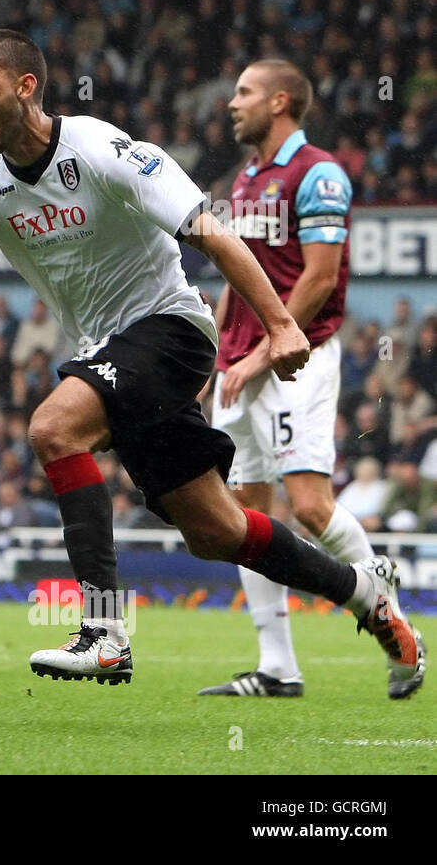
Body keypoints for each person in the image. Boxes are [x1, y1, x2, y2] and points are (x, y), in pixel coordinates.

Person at [0, 29, 423, 692]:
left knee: (54, 428)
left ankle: (105, 632)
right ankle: (366, 599)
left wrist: (281, 324)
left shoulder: (104, 152)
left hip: (172, 329)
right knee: (217, 530)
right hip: (109, 355)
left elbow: (210, 232)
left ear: (26, 87)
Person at [201, 59, 423, 700]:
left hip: (296, 359)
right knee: (245, 519)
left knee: (309, 506)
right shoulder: (244, 179)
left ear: (280, 102)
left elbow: (320, 278)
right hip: (239, 364)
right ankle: (278, 668)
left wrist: (261, 353)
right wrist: (217, 352)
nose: (232, 102)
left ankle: (395, 623)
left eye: (243, 92)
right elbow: (238, 275)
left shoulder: (318, 172)